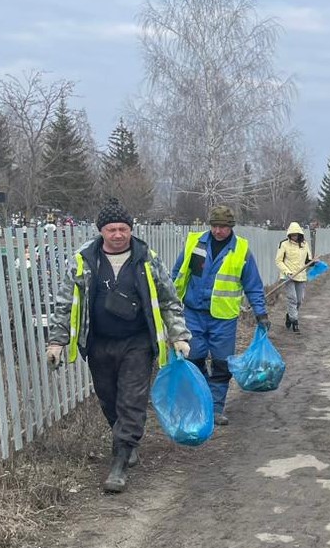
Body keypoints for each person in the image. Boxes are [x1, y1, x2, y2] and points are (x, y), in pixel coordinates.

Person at [46, 198, 190, 493]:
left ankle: (120, 460)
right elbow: (64, 303)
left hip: (137, 342)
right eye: (111, 229)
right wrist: (56, 342)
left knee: (132, 400)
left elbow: (168, 298)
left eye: (123, 228)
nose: (117, 234)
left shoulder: (146, 258)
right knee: (108, 398)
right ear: (101, 231)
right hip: (99, 342)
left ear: (130, 229)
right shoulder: (85, 260)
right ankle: (127, 438)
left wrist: (179, 335)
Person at [172, 205, 269, 426]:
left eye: (223, 227)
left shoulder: (241, 250)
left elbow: (253, 285)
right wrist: (170, 306)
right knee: (193, 358)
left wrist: (260, 312)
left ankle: (216, 408)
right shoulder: (195, 243)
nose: (218, 231)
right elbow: (178, 273)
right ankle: (203, 399)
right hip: (194, 313)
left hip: (223, 318)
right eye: (215, 226)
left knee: (221, 363)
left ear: (230, 227)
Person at [275, 222, 314, 333]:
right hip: (288, 276)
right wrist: (287, 272)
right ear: (289, 234)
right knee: (292, 299)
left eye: (296, 235)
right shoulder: (284, 244)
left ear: (299, 234)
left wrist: (314, 262)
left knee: (299, 300)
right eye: (292, 235)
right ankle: (295, 322)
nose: (294, 237)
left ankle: (290, 315)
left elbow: (307, 260)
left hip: (301, 276)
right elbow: (278, 261)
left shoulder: (305, 244)